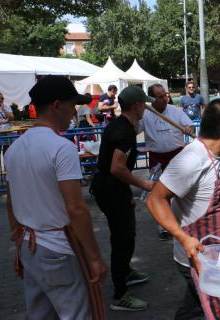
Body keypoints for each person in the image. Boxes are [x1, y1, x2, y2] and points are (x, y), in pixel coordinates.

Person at [146, 99, 220, 320]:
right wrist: (183, 238)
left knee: (194, 308)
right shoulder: (192, 159)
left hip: (218, 252)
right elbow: (155, 200)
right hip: (202, 259)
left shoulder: (217, 157)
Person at [4, 76, 107, 319]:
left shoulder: (15, 148)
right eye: (72, 104)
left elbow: (11, 201)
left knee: (41, 313)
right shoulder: (62, 148)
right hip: (58, 247)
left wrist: (18, 242)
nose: (75, 111)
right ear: (57, 105)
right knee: (77, 313)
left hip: (30, 245)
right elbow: (76, 208)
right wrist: (94, 257)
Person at [91, 86, 156, 311]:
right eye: (144, 104)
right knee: (123, 238)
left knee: (126, 234)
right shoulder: (124, 132)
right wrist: (145, 184)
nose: (147, 107)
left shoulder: (122, 125)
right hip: (111, 190)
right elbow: (117, 168)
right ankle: (120, 295)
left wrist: (127, 192)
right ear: (137, 105)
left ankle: (126, 271)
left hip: (113, 188)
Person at [139, 84, 194, 240]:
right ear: (151, 99)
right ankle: (163, 225)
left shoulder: (175, 111)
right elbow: (133, 129)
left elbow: (189, 125)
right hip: (156, 158)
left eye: (165, 95)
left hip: (176, 157)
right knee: (158, 193)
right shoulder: (145, 114)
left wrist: (190, 129)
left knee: (180, 191)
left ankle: (182, 221)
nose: (165, 98)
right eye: (160, 96)